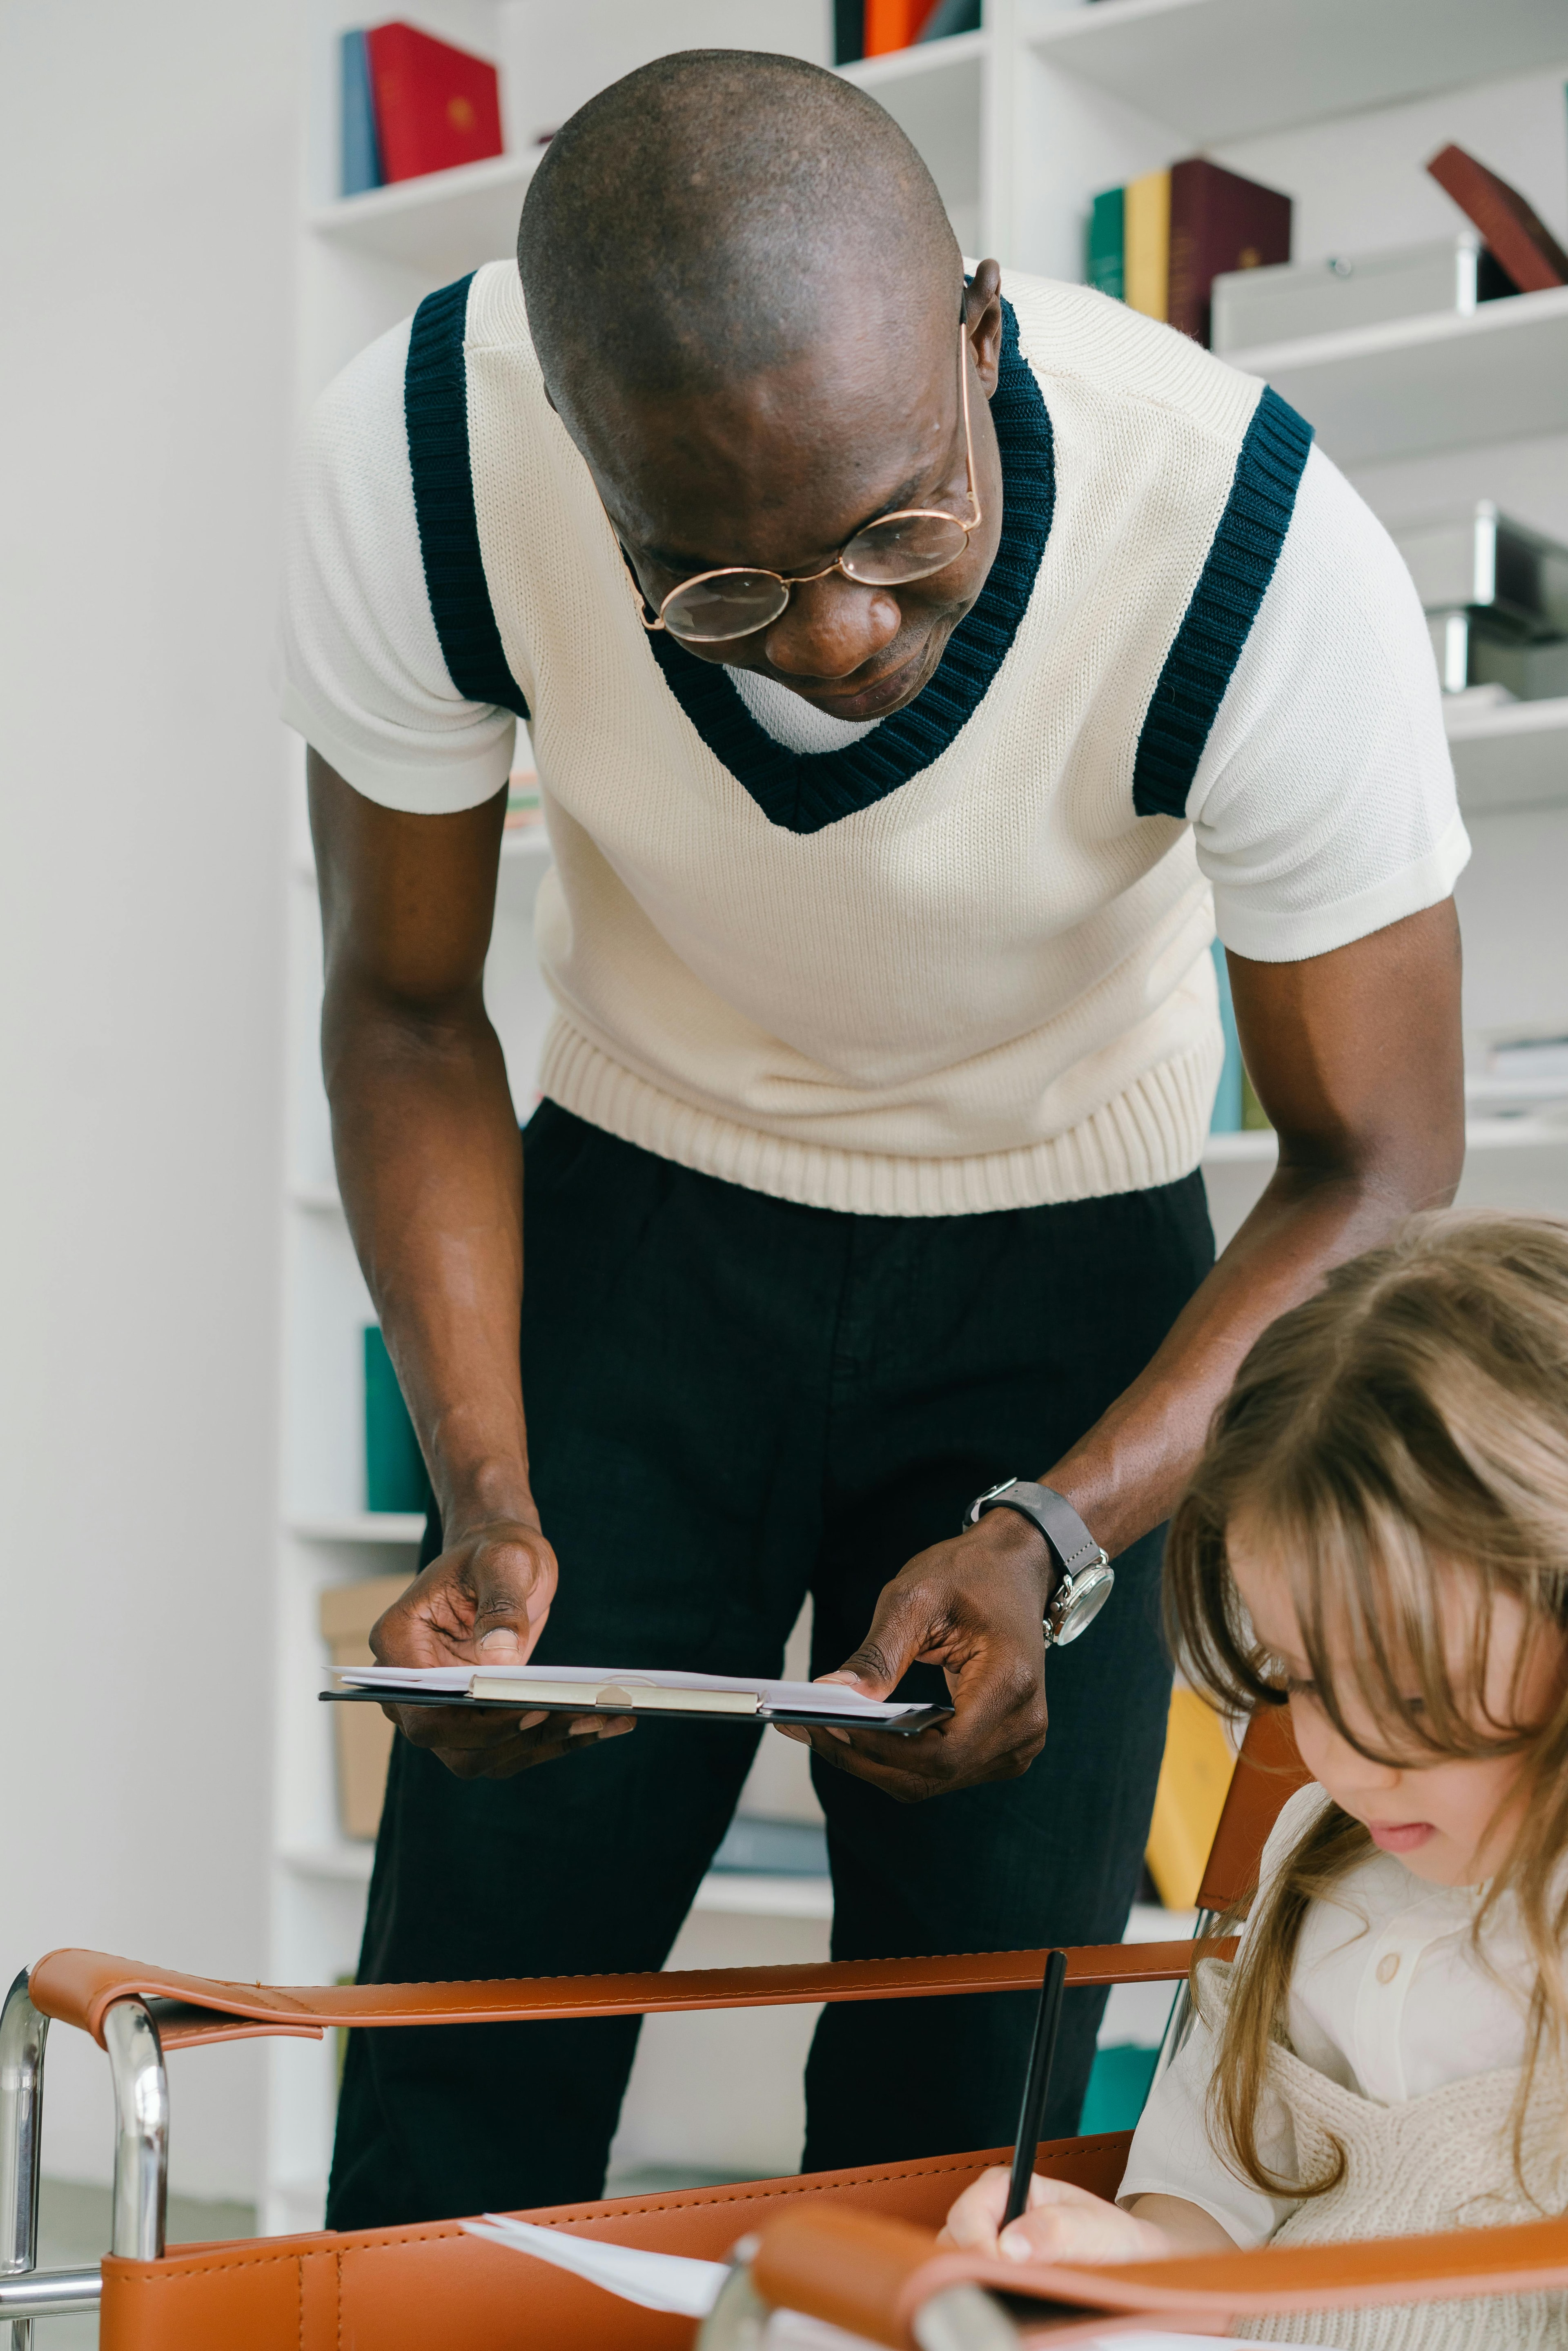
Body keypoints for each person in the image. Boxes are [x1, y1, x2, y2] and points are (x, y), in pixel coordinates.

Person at [281, 48, 1468, 2226]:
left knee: (962, 2094)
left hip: (1073, 1278)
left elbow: (1378, 1162)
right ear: (579, 451)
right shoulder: (421, 465)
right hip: (634, 1231)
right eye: (715, 586)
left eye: (900, 530)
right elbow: (405, 1005)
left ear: (982, 341)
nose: (834, 637)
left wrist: (1059, 1535)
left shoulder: (1248, 542)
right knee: (472, 2021)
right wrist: (480, 1488)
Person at [943, 1213, 1568, 2348]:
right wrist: (1117, 2260)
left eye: (1420, 1697)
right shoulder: (1313, 1855)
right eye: (1305, 1680)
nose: (1350, 1762)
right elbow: (1213, 2209)